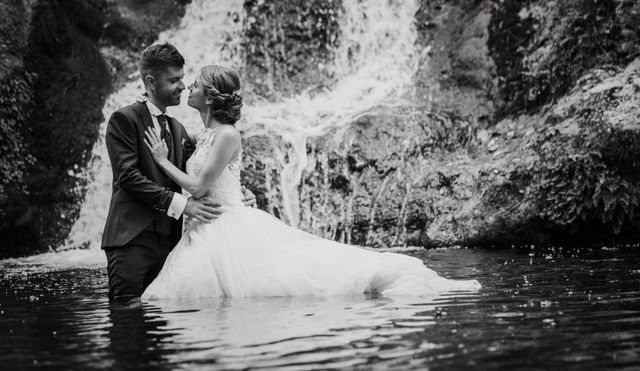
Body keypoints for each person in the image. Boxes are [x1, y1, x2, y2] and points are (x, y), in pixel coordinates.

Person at [141, 64, 480, 299]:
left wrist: (160, 161)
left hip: (226, 226)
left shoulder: (227, 134)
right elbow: (211, 181)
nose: (190, 88)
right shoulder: (205, 134)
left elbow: (198, 187)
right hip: (206, 225)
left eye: (197, 85)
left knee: (291, 277)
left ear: (211, 97)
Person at [101, 43, 256, 306]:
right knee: (126, 313)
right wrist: (183, 205)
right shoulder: (124, 119)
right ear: (151, 81)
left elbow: (209, 173)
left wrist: (241, 194)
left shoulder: (179, 129)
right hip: (132, 239)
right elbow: (128, 177)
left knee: (164, 322)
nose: (183, 86)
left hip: (173, 243)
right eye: (174, 80)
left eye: (183, 79)